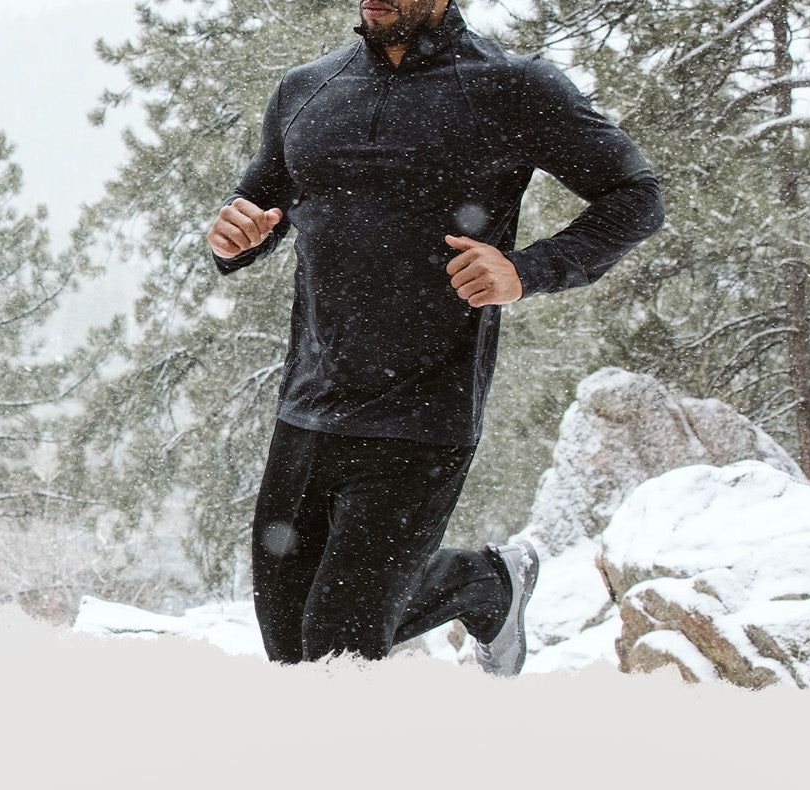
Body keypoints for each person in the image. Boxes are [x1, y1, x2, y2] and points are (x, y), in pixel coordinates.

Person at [207, 0, 663, 672]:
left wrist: (524, 270)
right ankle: (486, 582)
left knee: (334, 654)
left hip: (423, 415)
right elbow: (260, 204)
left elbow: (635, 196)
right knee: (287, 648)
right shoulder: (307, 89)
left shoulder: (512, 86)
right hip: (307, 410)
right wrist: (234, 238)